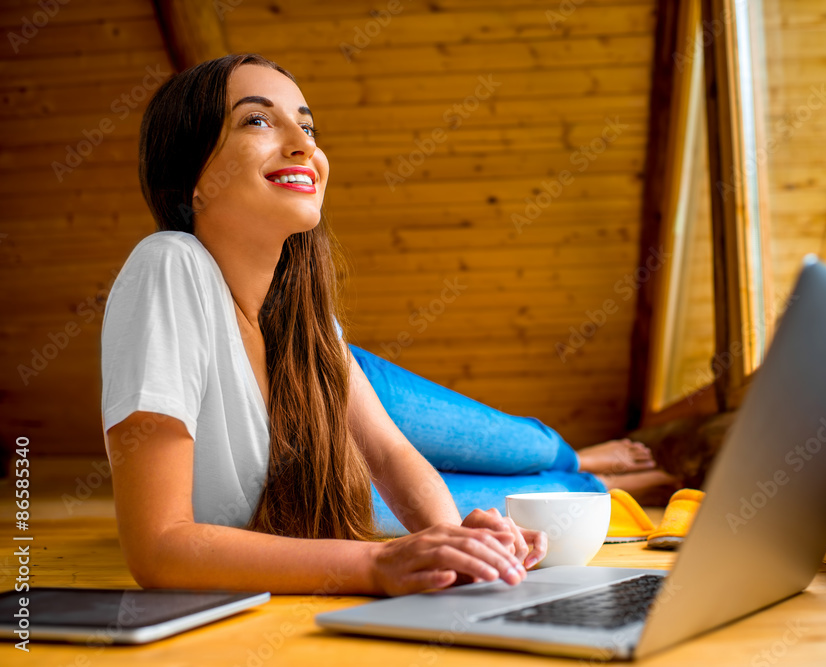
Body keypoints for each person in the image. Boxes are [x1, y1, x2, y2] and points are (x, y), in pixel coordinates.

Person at [101, 53, 672, 598]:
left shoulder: (304, 317)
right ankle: (591, 473)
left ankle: (580, 454)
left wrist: (455, 541)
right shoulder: (169, 266)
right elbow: (156, 549)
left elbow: (390, 452)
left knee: (535, 444)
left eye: (308, 127)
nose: (304, 147)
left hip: (346, 396)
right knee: (558, 494)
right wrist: (379, 562)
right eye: (257, 120)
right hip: (306, 475)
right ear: (191, 176)